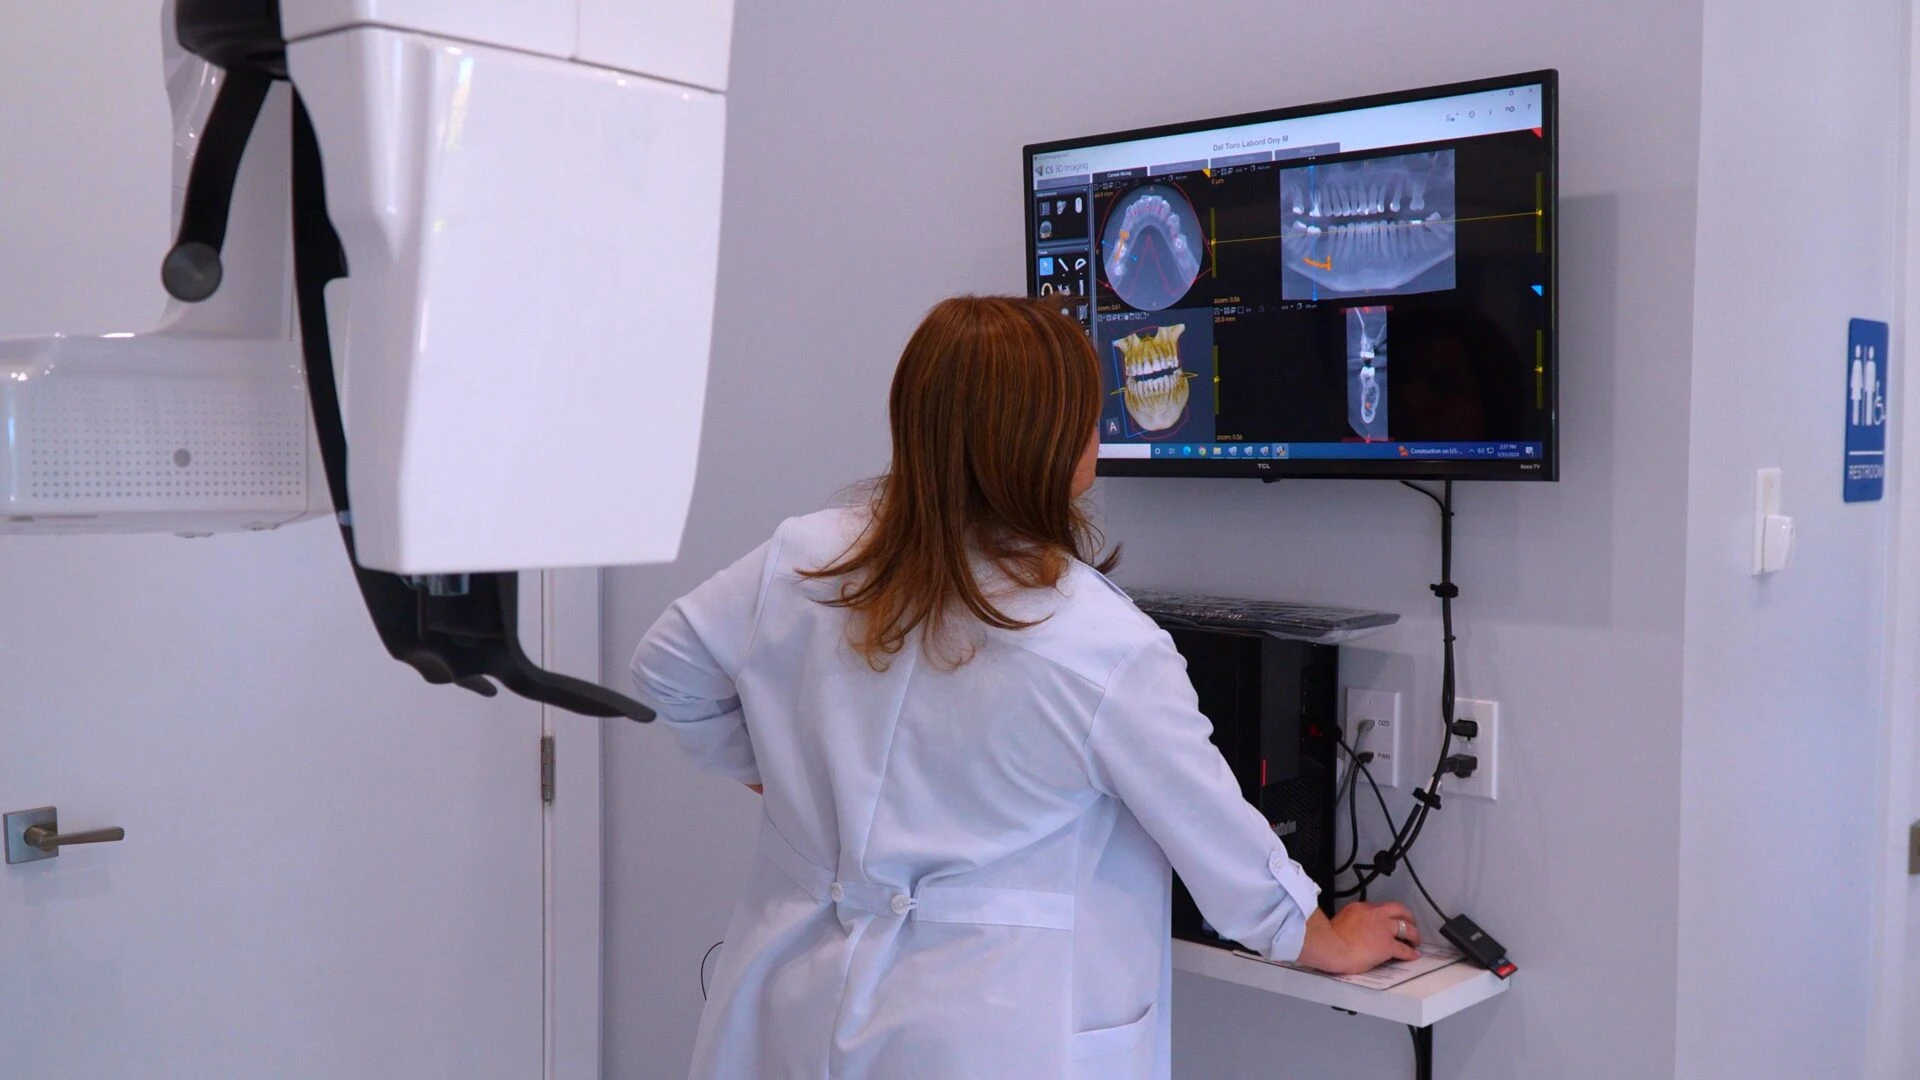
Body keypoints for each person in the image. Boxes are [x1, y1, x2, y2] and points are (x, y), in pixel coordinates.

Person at [631, 296, 1420, 1079]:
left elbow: (666, 669)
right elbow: (1216, 841)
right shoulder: (1099, 643)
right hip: (984, 1036)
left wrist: (773, 778)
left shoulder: (811, 558)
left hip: (789, 1007)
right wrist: (1324, 938)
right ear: (1054, 447)